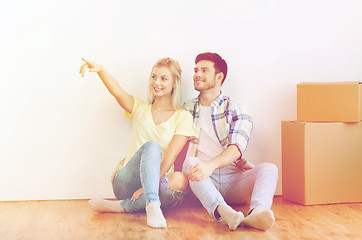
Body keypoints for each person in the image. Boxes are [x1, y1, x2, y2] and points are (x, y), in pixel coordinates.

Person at [79, 57, 194, 229]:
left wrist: (151, 185)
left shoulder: (183, 116)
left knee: (180, 180)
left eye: (163, 78)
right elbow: (117, 91)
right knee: (152, 146)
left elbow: (171, 156)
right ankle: (153, 203)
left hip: (160, 181)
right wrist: (102, 70)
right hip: (128, 182)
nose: (157, 82)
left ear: (174, 83)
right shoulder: (140, 108)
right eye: (154, 77)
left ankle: (122, 206)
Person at [182, 52, 278, 231]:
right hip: (201, 180)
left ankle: (257, 213)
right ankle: (222, 211)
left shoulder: (236, 108)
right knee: (190, 162)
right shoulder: (186, 108)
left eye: (204, 70)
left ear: (219, 76)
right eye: (196, 70)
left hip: (233, 179)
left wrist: (210, 165)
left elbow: (236, 149)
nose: (197, 74)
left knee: (269, 168)